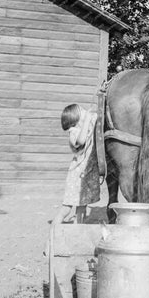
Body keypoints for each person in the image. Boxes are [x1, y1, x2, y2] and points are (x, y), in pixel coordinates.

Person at [44, 104, 100, 256]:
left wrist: (92, 116)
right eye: (82, 112)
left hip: (85, 176)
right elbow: (81, 141)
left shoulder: (84, 126)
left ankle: (76, 240)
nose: (85, 113)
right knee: (66, 210)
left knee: (82, 210)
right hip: (77, 177)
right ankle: (51, 241)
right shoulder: (74, 132)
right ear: (75, 119)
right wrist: (88, 119)